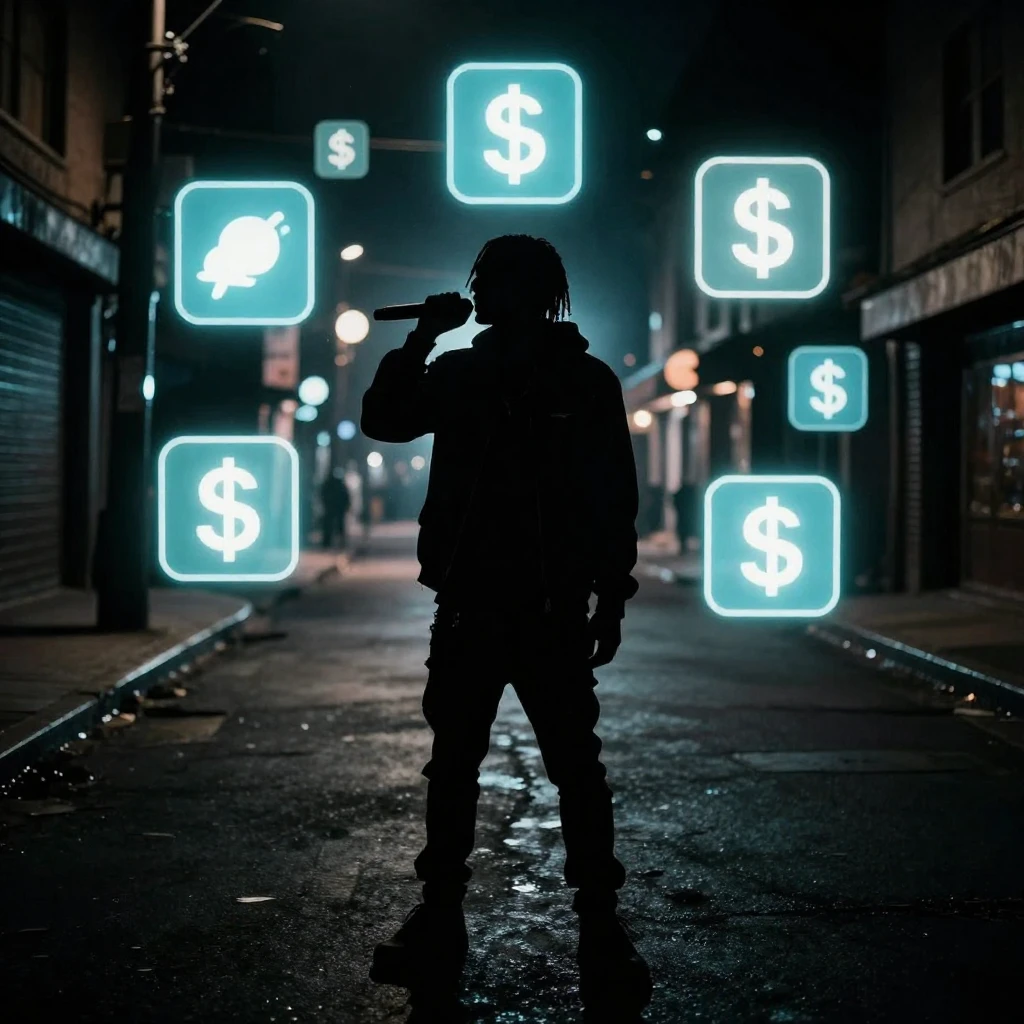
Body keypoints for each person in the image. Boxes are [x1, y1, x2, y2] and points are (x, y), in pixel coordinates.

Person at [360, 234, 651, 1013]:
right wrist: (422, 337)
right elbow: (385, 419)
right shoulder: (460, 371)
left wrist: (611, 594)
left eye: (489, 280)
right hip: (469, 606)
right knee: (455, 765)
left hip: (549, 609)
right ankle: (441, 916)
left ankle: (600, 926)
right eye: (476, 279)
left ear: (530, 290)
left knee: (571, 768)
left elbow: (610, 498)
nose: (477, 289)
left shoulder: (586, 382)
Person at [320, 467, 351, 551]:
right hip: (333, 508)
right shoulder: (336, 485)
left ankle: (336, 543)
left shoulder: (338, 485)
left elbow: (346, 497)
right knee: (332, 526)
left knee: (337, 526)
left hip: (336, 508)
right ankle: (328, 543)